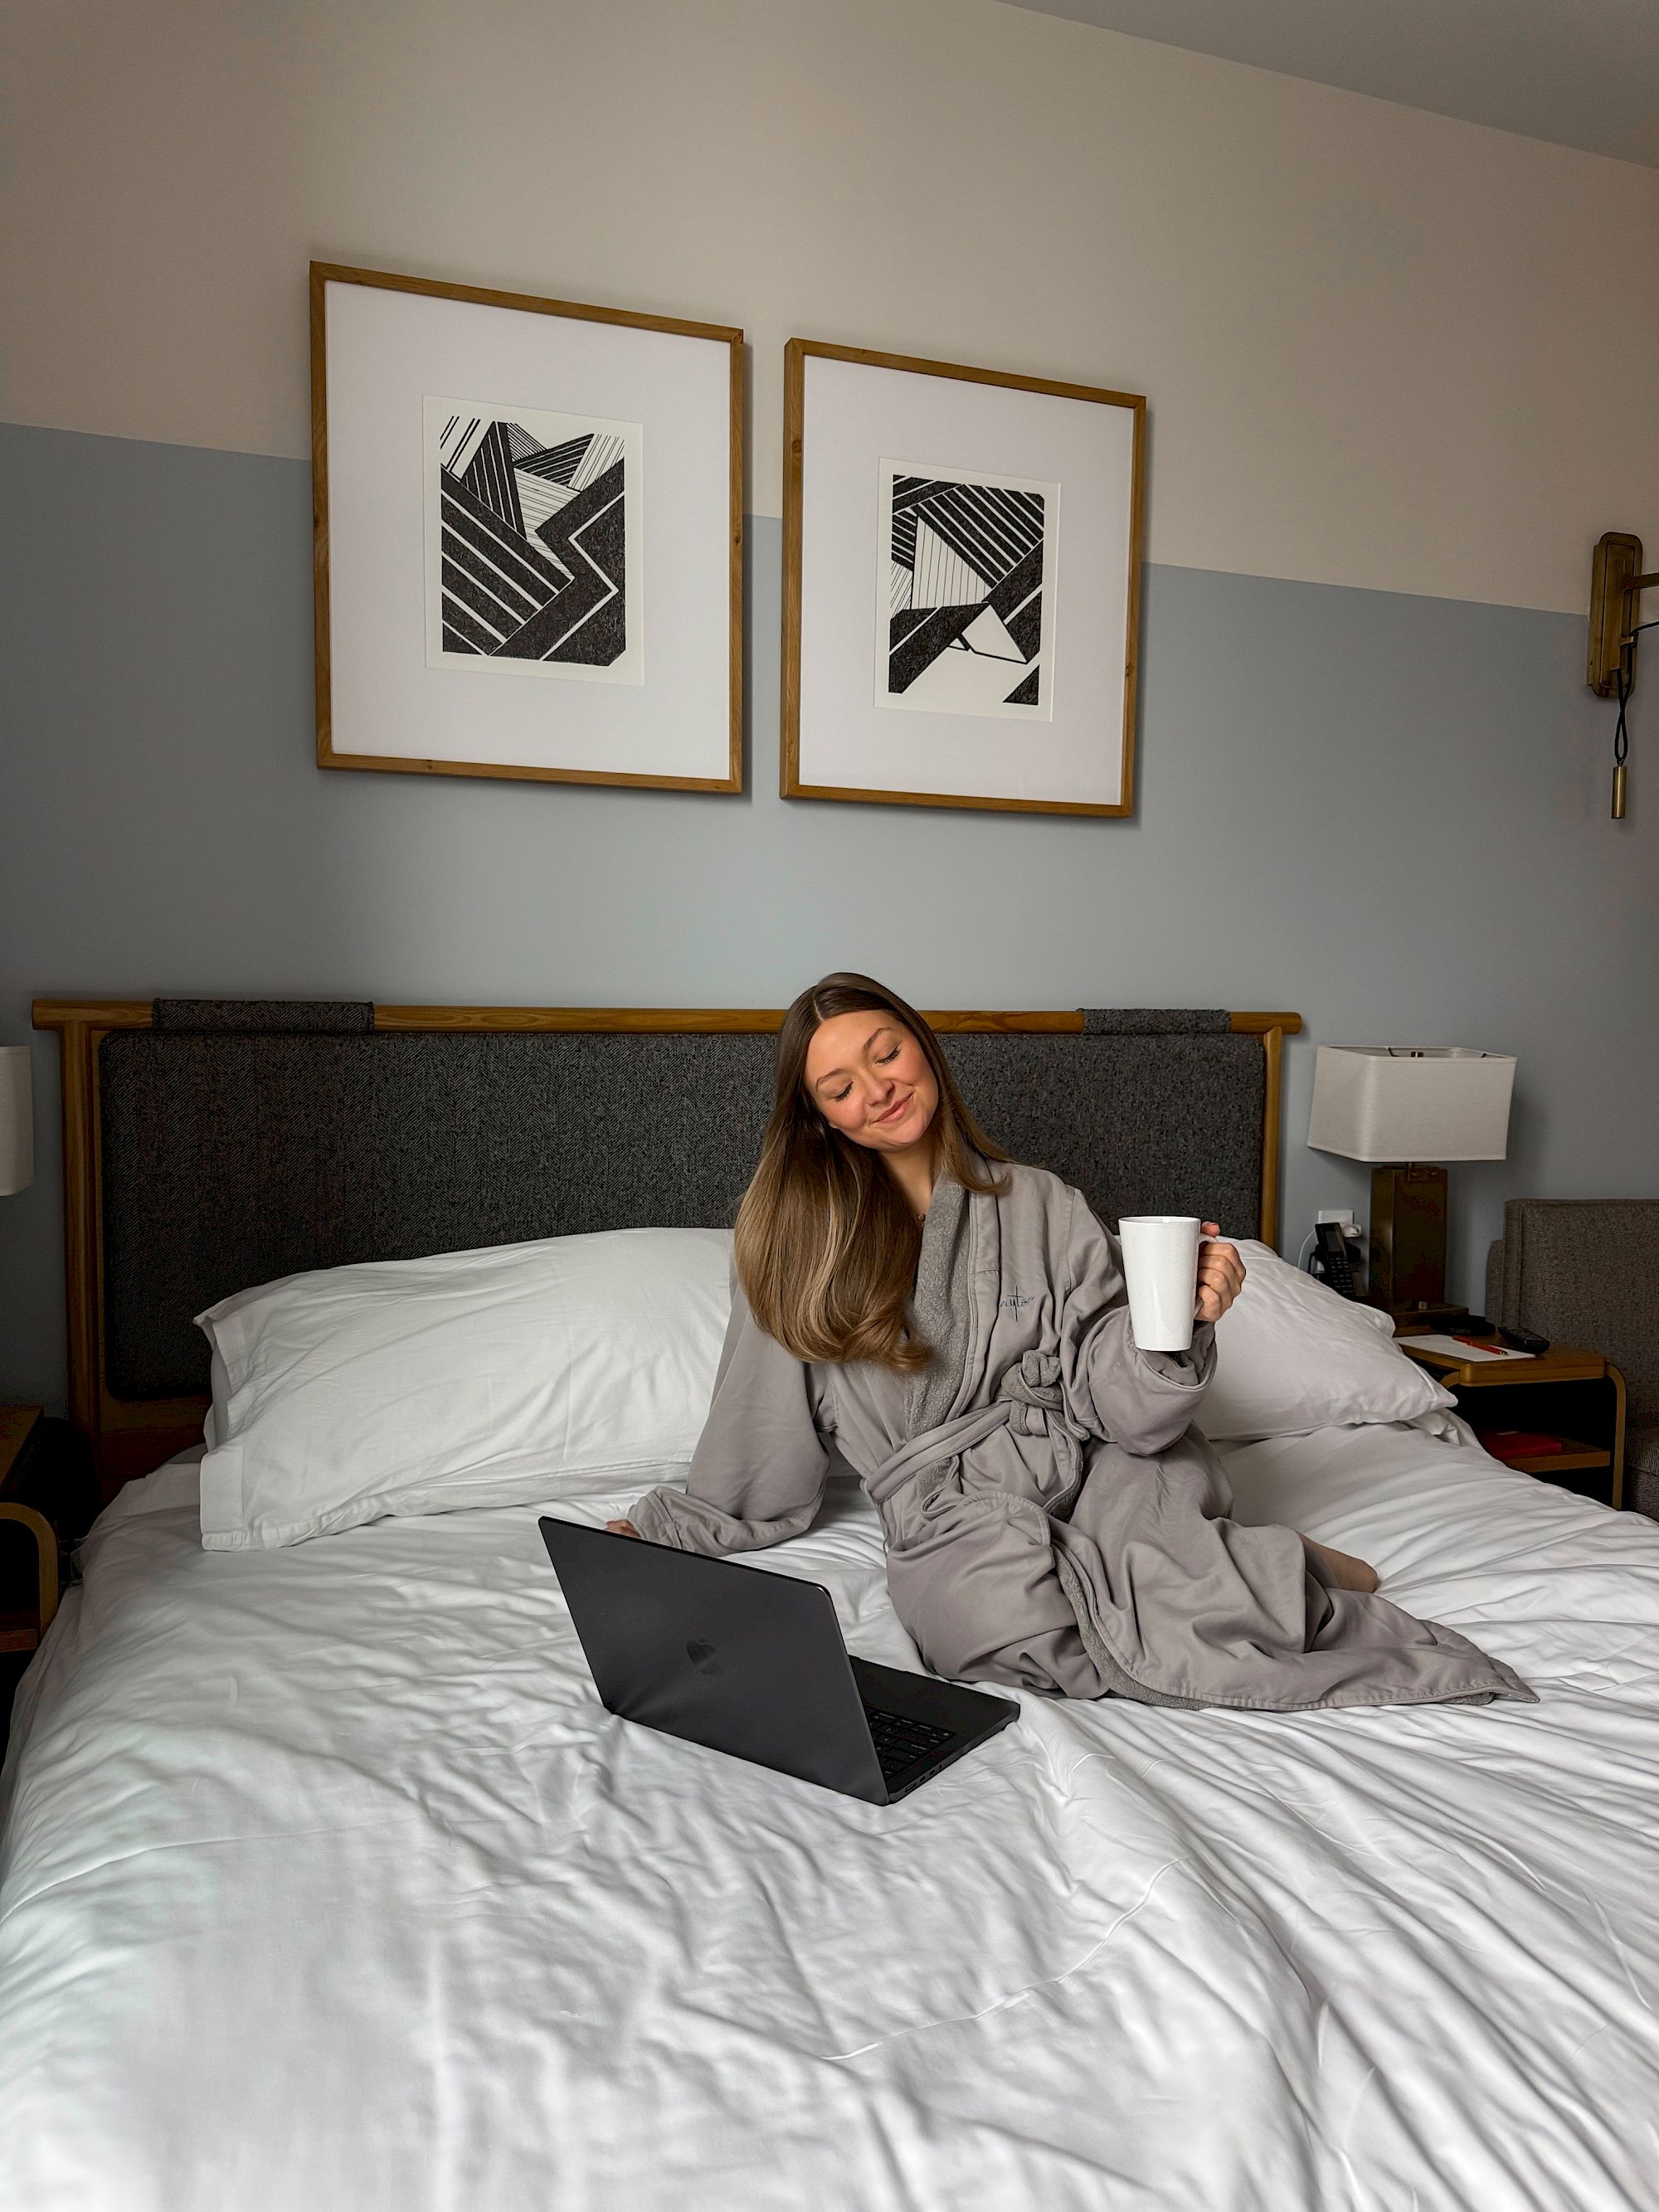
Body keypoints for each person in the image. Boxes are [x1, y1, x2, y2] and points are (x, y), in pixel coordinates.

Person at [609, 975, 1530, 1711]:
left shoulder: (1040, 1202)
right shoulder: (790, 1240)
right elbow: (759, 1422)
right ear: (818, 1117)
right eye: (838, 1087)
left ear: (921, 1048)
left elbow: (1110, 1395)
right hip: (947, 1503)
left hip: (1097, 1459)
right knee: (986, 1630)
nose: (875, 1090)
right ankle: (1270, 1565)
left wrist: (1183, 1326)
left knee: (1168, 1564)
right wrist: (683, 1524)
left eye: (884, 1052)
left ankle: (1259, 1572)